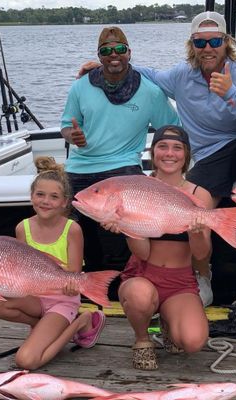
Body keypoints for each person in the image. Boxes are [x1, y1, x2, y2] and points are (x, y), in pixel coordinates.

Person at [78, 12, 236, 304]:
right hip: (209, 156)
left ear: (226, 42)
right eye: (200, 42)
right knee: (197, 208)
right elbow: (151, 75)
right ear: (192, 45)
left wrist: (230, 93)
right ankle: (202, 275)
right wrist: (110, 66)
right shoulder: (183, 76)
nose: (207, 48)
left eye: (214, 41)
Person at [61, 26, 179, 271]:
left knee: (118, 238)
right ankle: (88, 278)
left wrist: (168, 166)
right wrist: (73, 136)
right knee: (74, 230)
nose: (113, 54)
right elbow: (65, 126)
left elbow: (172, 130)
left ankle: (122, 281)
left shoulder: (150, 92)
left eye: (119, 49)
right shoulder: (81, 87)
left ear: (129, 52)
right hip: (80, 166)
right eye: (106, 50)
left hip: (122, 165)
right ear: (100, 56)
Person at [101, 125, 211, 370]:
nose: (169, 153)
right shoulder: (137, 188)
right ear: (153, 152)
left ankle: (169, 323)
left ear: (186, 155)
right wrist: (127, 226)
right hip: (143, 274)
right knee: (140, 296)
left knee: (193, 342)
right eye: (162, 146)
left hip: (180, 282)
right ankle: (142, 339)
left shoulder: (198, 194)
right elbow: (143, 253)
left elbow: (202, 254)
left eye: (177, 148)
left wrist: (196, 233)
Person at [0, 157, 106, 370]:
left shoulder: (72, 229)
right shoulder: (23, 227)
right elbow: (19, 270)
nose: (45, 201)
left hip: (62, 299)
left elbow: (75, 274)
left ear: (64, 202)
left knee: (26, 361)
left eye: (54, 196)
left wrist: (69, 282)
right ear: (31, 197)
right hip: (33, 296)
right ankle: (41, 326)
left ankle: (81, 321)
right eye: (40, 194)